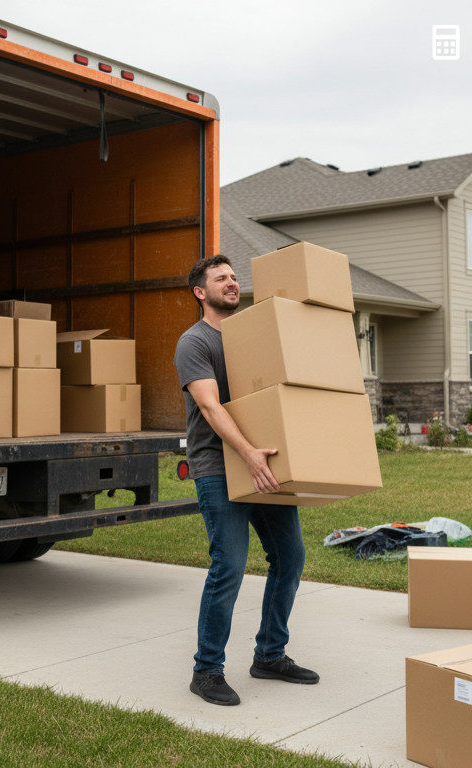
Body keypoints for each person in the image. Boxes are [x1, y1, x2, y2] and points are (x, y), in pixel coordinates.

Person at [174, 254, 317, 707]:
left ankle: (270, 655)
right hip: (219, 467)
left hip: (265, 463)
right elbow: (210, 406)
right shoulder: (194, 342)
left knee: (290, 556)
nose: (232, 283)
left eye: (234, 277)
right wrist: (248, 454)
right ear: (201, 292)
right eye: (221, 278)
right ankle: (206, 670)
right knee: (230, 565)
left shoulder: (251, 338)